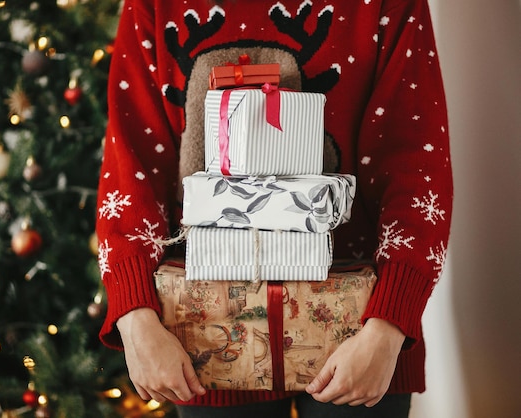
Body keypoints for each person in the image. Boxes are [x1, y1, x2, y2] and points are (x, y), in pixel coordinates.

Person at [95, 0, 453, 417]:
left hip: (364, 337)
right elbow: (131, 164)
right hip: (202, 338)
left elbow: (414, 163)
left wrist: (389, 323)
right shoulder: (154, 6)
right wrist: (135, 317)